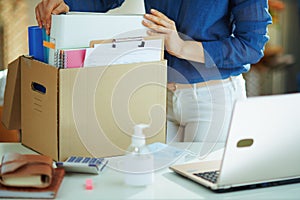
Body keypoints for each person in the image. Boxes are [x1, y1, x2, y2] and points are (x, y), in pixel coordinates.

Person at [35, 0, 272, 154]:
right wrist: (65, 2)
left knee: (203, 188)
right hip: (154, 94)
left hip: (213, 100)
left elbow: (251, 45)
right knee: (155, 186)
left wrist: (181, 47)